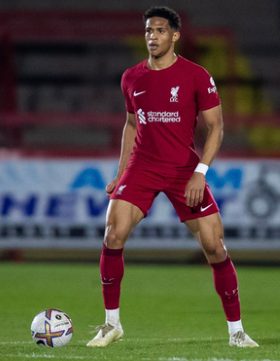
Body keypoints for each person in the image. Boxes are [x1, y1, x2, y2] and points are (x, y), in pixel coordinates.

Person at [87, 6, 259, 348]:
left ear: (175, 35)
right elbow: (132, 125)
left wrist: (200, 173)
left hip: (184, 168)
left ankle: (237, 331)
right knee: (113, 233)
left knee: (215, 246)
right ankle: (111, 324)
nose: (152, 36)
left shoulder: (196, 75)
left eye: (160, 30)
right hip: (143, 166)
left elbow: (216, 128)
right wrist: (120, 173)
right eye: (149, 31)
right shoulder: (131, 78)